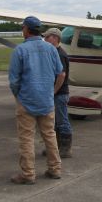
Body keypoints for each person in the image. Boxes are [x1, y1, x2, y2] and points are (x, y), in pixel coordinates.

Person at [8, 16, 65, 185]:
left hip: (26, 100)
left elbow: (14, 81)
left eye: (23, 28)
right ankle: (55, 169)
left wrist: (18, 95)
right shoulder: (51, 49)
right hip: (46, 101)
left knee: (26, 138)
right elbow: (60, 73)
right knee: (49, 135)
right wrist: (52, 92)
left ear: (26, 29)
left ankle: (28, 173)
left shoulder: (20, 50)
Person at [43, 27, 73, 158]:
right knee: (54, 122)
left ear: (55, 38)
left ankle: (66, 149)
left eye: (47, 36)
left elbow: (61, 75)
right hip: (56, 93)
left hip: (59, 93)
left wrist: (54, 91)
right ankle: (55, 147)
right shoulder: (54, 52)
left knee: (62, 121)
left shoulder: (60, 54)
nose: (44, 39)